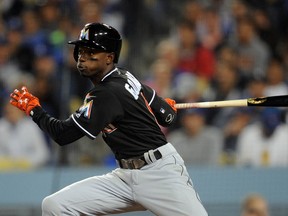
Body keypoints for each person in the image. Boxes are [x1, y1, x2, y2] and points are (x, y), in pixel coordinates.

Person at [10, 23, 208, 216]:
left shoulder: (106, 93)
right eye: (80, 49)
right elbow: (167, 116)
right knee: (55, 206)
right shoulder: (125, 76)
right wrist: (160, 107)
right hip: (124, 177)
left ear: (109, 57)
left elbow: (63, 134)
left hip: (159, 173)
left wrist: (35, 111)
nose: (82, 56)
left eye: (91, 51)